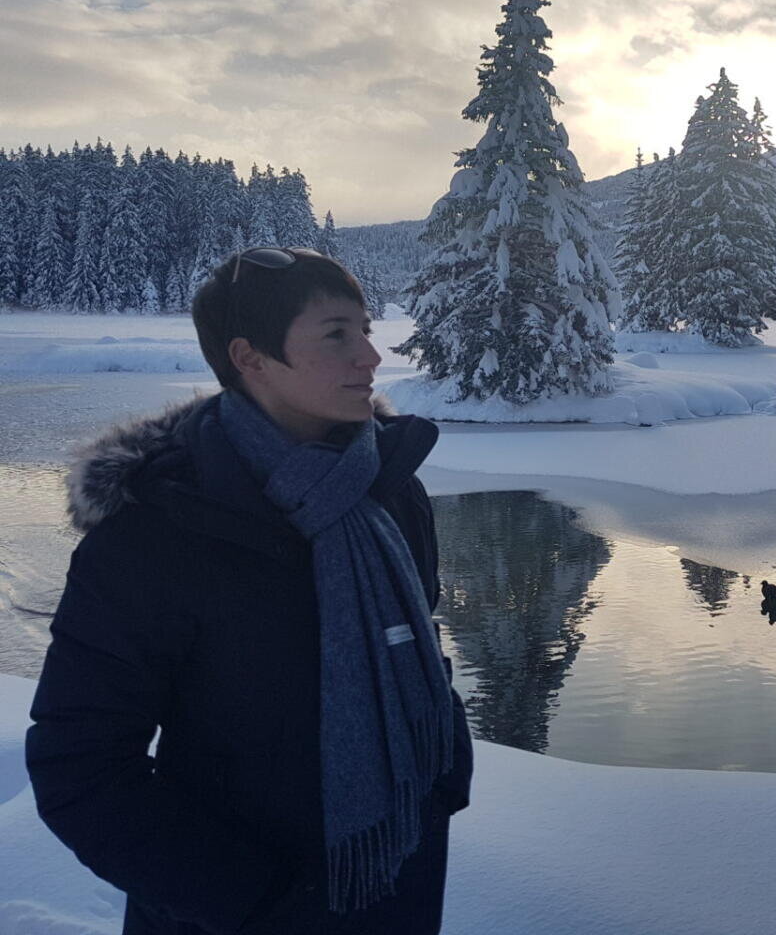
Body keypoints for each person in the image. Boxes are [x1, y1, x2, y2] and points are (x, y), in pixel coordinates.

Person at [26, 247, 474, 934]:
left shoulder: (390, 492)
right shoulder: (154, 532)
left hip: (397, 881)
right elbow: (79, 768)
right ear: (250, 357)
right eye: (336, 334)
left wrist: (442, 784)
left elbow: (420, 649)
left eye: (364, 328)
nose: (371, 355)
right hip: (229, 915)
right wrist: (252, 902)